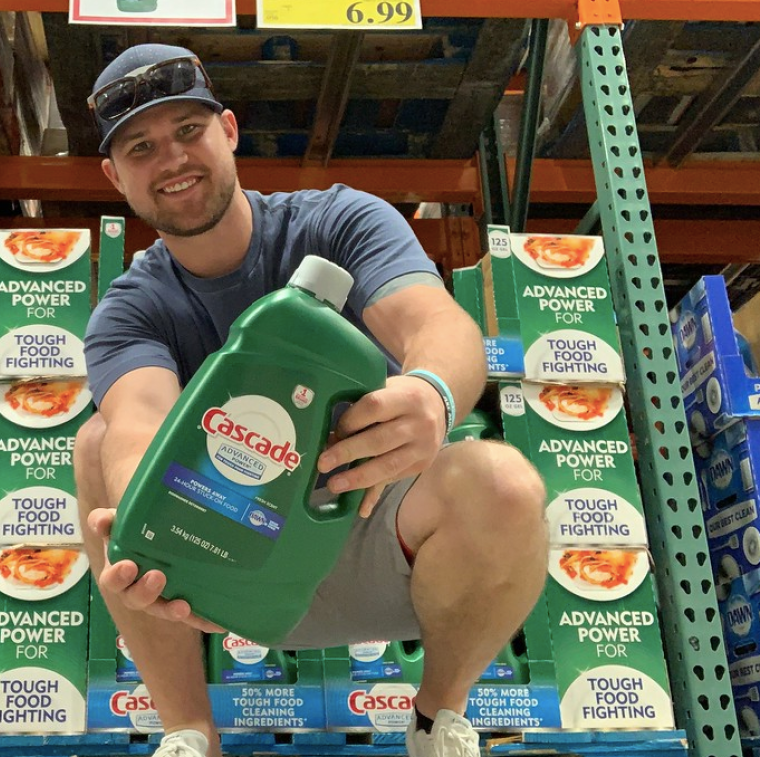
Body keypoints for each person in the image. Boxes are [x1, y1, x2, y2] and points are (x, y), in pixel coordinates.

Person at [77, 43, 548, 757]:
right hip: (221, 559)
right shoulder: (130, 311)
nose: (170, 159)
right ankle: (188, 732)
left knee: (503, 481)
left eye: (187, 131)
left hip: (368, 529)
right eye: (141, 148)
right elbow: (134, 427)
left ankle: (434, 719)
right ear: (115, 175)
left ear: (229, 131)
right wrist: (153, 533)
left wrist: (429, 393)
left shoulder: (338, 221)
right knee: (91, 445)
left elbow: (435, 324)